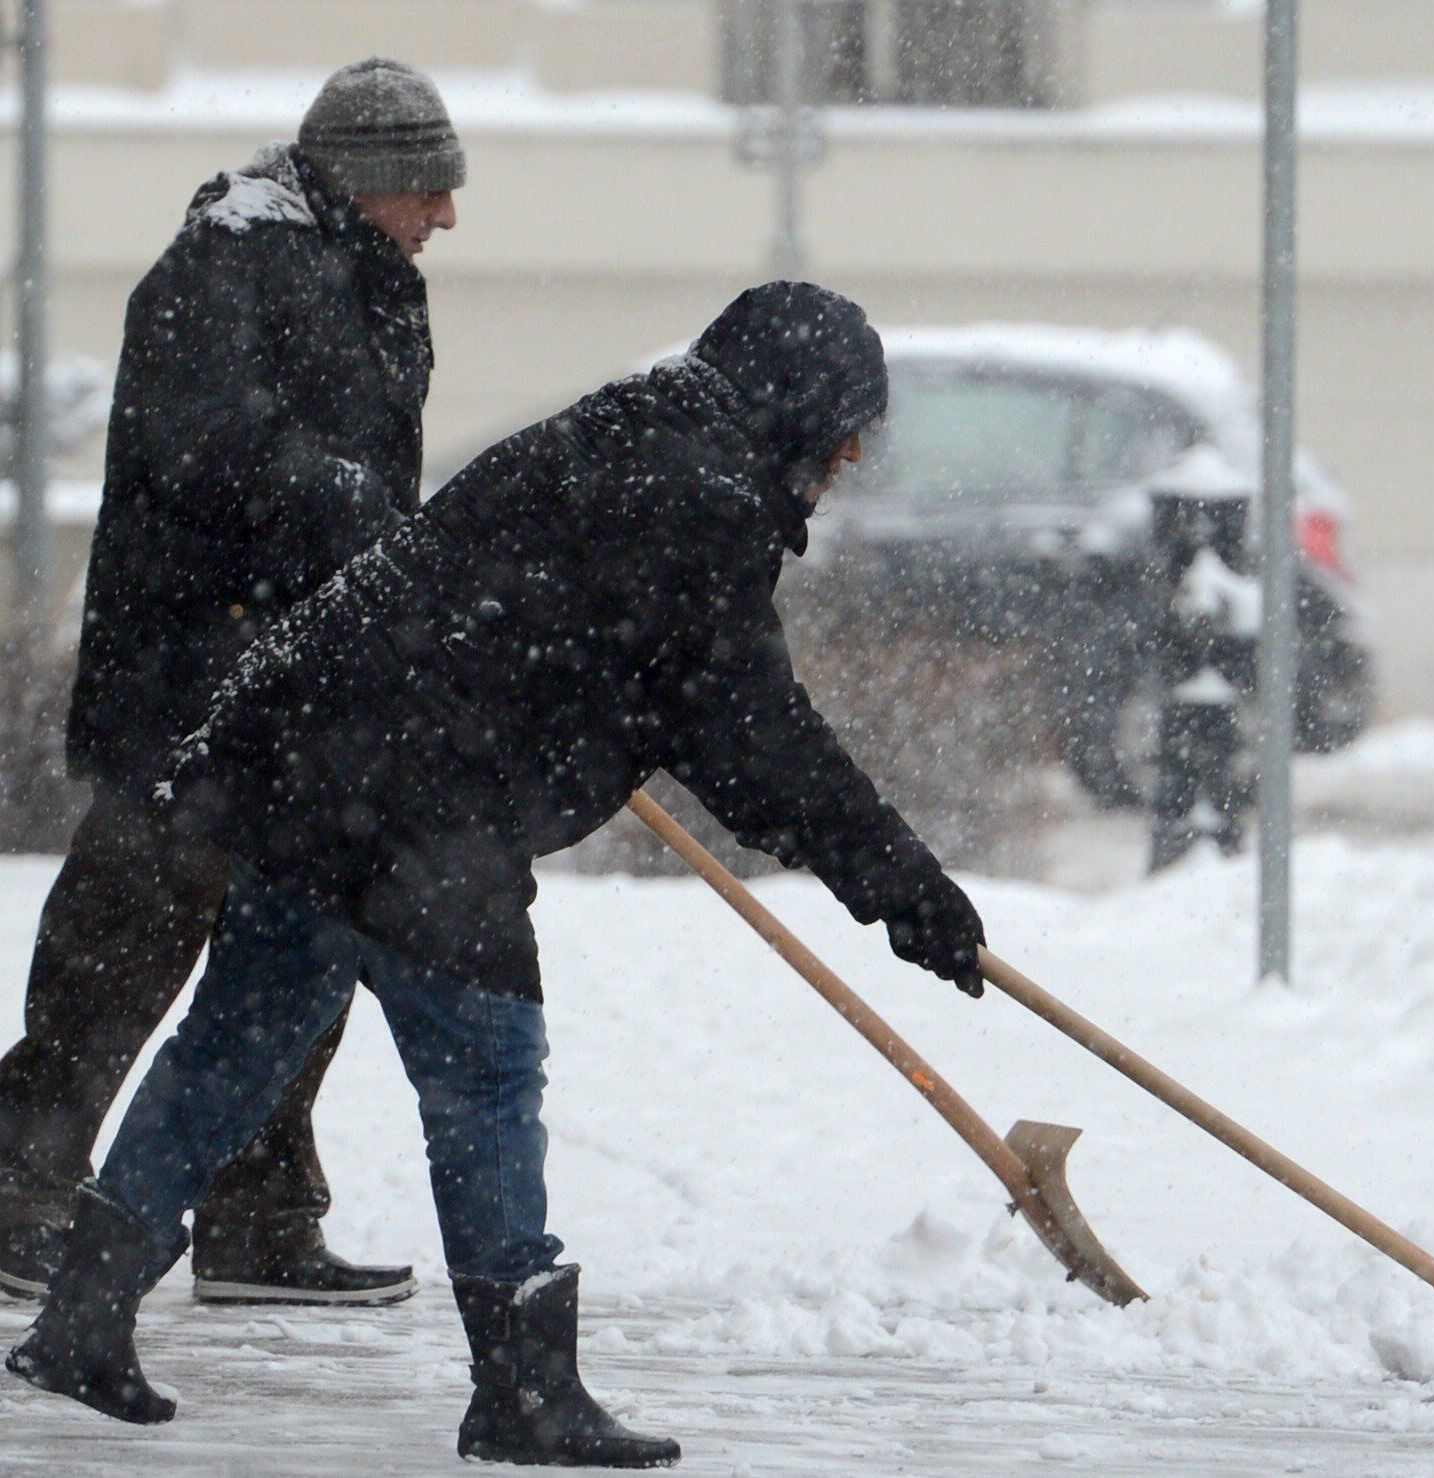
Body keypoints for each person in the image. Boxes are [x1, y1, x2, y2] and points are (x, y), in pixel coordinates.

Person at [7, 282, 988, 1468]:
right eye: (844, 437)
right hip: (418, 808)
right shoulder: (699, 496)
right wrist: (901, 882)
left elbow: (641, 666)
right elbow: (749, 726)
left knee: (233, 1044)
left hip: (310, 765)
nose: (843, 465)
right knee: (484, 1072)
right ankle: (522, 1387)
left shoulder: (628, 431)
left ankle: (82, 1316)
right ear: (797, 410)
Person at [0, 58, 463, 1306]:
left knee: (299, 936)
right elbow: (210, 448)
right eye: (428, 187)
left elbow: (348, 468)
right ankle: (14, 1185)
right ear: (366, 178)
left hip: (301, 683)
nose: (446, 216)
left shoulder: (368, 277)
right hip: (188, 678)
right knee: (128, 937)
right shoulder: (227, 261)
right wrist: (359, 515)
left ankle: (258, 1215)